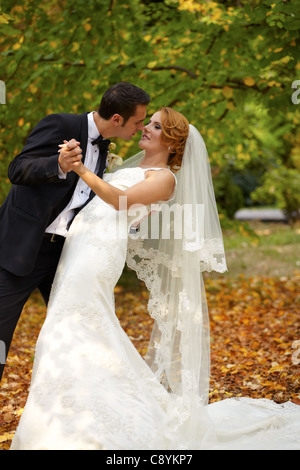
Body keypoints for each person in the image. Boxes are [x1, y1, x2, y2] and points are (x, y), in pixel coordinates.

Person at [10, 108, 300, 450]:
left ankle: (72, 421)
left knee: (71, 324)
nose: (145, 128)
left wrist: (80, 169)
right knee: (73, 325)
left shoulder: (166, 178)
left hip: (97, 255)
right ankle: (79, 407)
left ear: (173, 141)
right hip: (76, 248)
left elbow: (120, 201)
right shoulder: (130, 168)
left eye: (156, 125)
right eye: (147, 122)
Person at [0, 82, 150, 381]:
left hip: (68, 256)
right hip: (21, 248)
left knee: (78, 334)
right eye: (138, 121)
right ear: (117, 119)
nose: (141, 127)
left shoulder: (106, 147)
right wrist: (56, 164)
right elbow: (17, 169)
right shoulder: (61, 124)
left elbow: (93, 200)